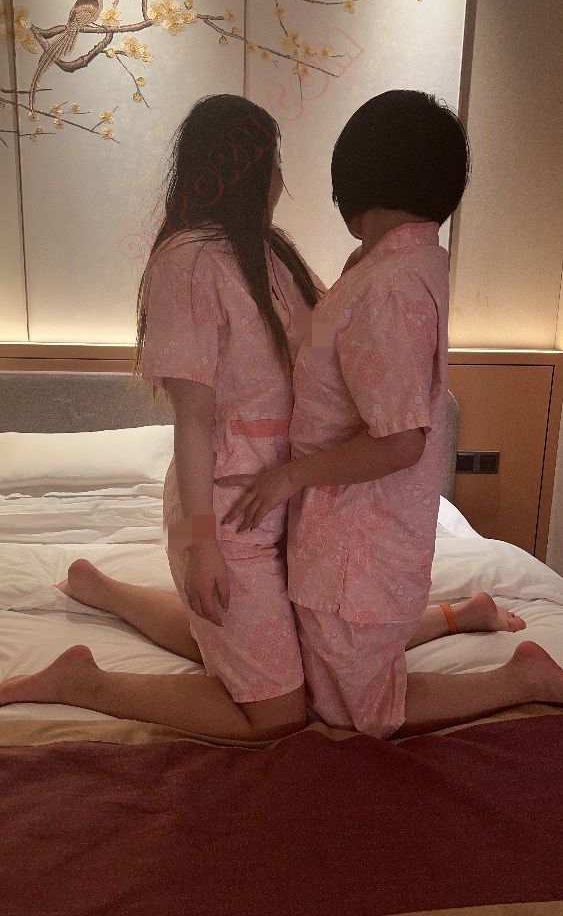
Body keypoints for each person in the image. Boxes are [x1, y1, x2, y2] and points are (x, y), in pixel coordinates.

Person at [0, 94, 558, 737]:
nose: (283, 184)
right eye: (276, 166)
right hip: (225, 509)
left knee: (302, 660)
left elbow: (318, 355)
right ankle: (84, 680)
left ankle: (100, 588)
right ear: (247, 170)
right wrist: (201, 544)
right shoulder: (186, 264)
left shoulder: (272, 255)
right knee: (279, 714)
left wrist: (362, 277)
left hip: (289, 503)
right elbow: (193, 420)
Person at [219, 90, 563, 738]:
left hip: (360, 532)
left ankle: (525, 678)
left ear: (357, 185)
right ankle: (463, 614)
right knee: (328, 657)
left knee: (356, 711)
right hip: (350, 523)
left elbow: (403, 441)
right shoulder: (395, 264)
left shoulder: (389, 284)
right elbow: (338, 357)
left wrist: (288, 476)